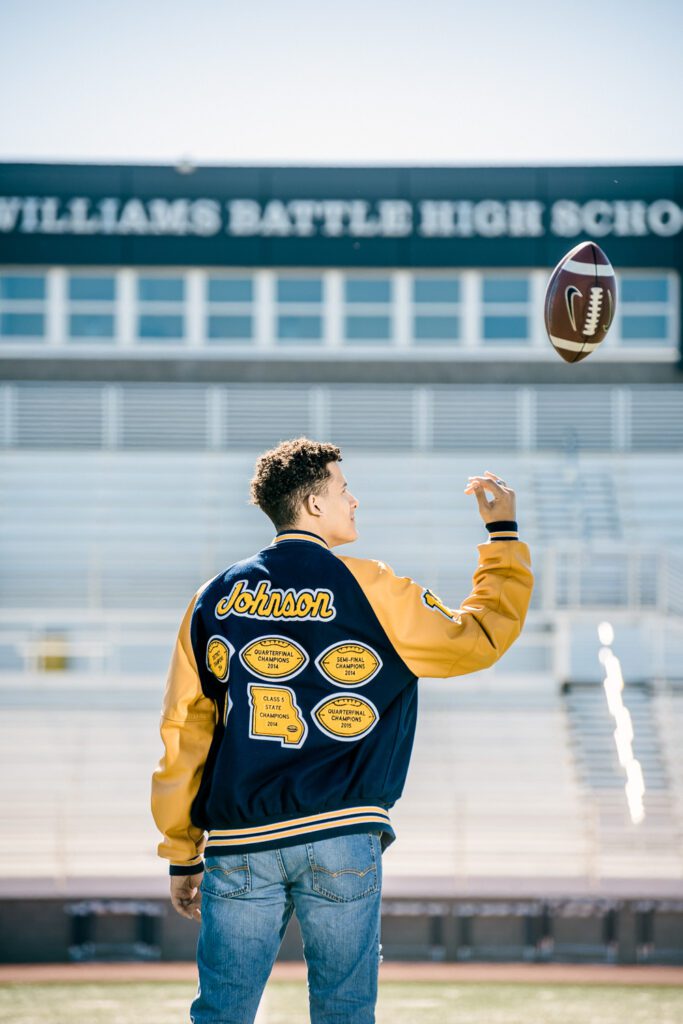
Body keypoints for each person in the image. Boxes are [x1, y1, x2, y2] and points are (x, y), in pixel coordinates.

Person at [151, 437, 533, 1024]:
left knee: (222, 1013)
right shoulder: (372, 585)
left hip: (239, 840)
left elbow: (185, 728)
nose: (354, 501)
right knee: (345, 1013)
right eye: (343, 489)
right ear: (312, 505)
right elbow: (478, 639)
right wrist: (502, 536)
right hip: (342, 832)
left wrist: (181, 852)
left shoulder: (214, 595)